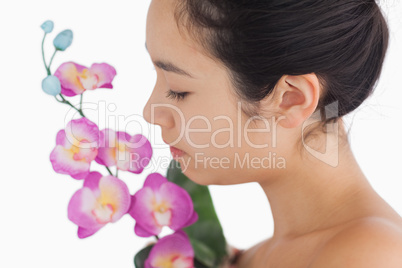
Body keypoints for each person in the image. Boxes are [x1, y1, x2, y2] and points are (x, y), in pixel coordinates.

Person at [142, 0, 402, 267]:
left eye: (178, 89)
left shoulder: (372, 257)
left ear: (291, 99)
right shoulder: (251, 257)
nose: (149, 112)